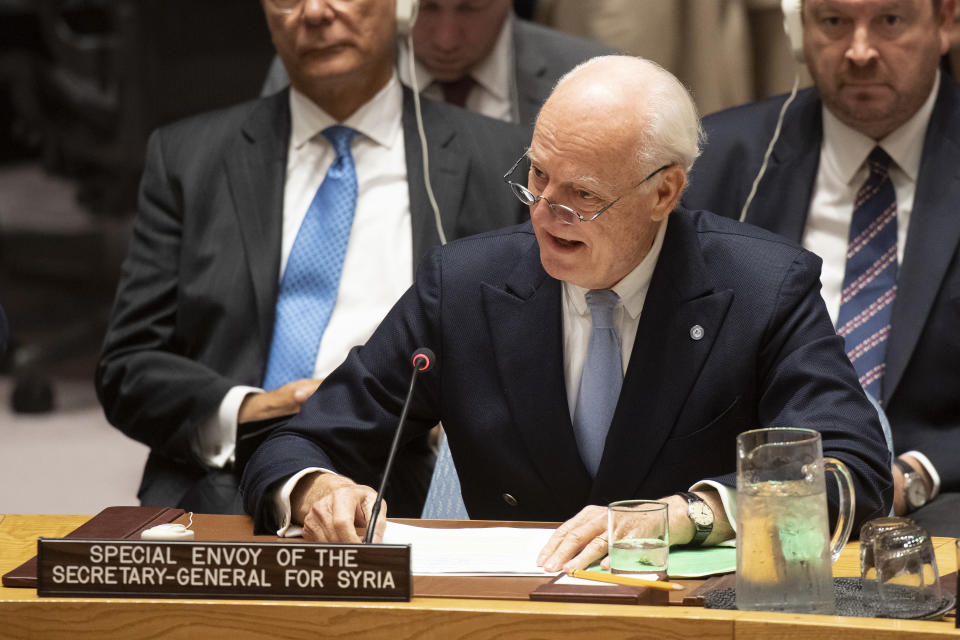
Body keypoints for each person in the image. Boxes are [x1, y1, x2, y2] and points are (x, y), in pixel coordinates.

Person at [241, 55, 892, 572]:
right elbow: (297, 442)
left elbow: (852, 469)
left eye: (581, 195)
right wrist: (315, 491)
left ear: (664, 190)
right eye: (537, 176)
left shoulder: (761, 287)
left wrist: (689, 515)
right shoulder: (465, 286)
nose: (544, 213)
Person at [95, 0, 528, 515]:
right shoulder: (188, 157)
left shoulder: (499, 161)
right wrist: (259, 409)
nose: (316, 12)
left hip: (413, 477)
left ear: (404, 8)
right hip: (223, 482)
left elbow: (540, 352)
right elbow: (128, 365)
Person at [683, 0, 960, 534]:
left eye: (890, 21)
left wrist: (918, 472)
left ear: (944, 22)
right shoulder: (717, 161)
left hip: (944, 499)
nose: (859, 51)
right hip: (755, 505)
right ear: (799, 29)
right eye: (833, 22)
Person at [261, 0, 615, 126]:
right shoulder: (322, 69)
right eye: (427, 7)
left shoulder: (593, 74)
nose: (447, 39)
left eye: (471, 8)